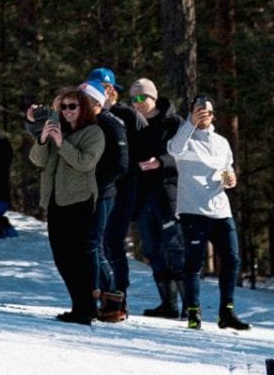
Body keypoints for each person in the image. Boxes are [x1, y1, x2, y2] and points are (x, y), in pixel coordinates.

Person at [167, 97, 250, 331]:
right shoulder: (184, 139)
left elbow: (226, 169)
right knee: (194, 264)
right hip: (193, 210)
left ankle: (227, 312)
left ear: (213, 116)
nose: (204, 116)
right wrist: (190, 124)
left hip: (221, 210)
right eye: (199, 112)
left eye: (208, 113)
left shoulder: (222, 142)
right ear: (191, 114)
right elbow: (173, 150)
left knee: (232, 259)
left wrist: (230, 179)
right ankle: (193, 311)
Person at [27, 86, 105, 325]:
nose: (68, 111)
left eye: (73, 106)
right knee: (62, 257)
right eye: (63, 107)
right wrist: (42, 138)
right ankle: (78, 305)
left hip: (79, 201)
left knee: (79, 257)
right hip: (55, 200)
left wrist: (62, 143)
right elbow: (37, 160)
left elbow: (84, 163)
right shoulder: (55, 129)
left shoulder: (94, 133)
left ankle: (87, 308)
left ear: (83, 109)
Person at [126, 78, 185, 318]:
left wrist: (161, 162)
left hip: (168, 195)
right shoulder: (133, 124)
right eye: (134, 99)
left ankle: (191, 305)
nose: (138, 103)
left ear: (154, 97)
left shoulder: (174, 123)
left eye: (142, 98)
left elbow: (187, 157)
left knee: (176, 250)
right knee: (152, 250)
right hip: (142, 198)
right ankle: (168, 304)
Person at [83, 71, 133, 321]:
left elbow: (121, 164)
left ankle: (114, 298)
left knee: (98, 245)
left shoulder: (115, 120)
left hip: (107, 193)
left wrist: (98, 186)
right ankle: (98, 297)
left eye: (109, 87)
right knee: (90, 245)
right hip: (83, 193)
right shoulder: (83, 122)